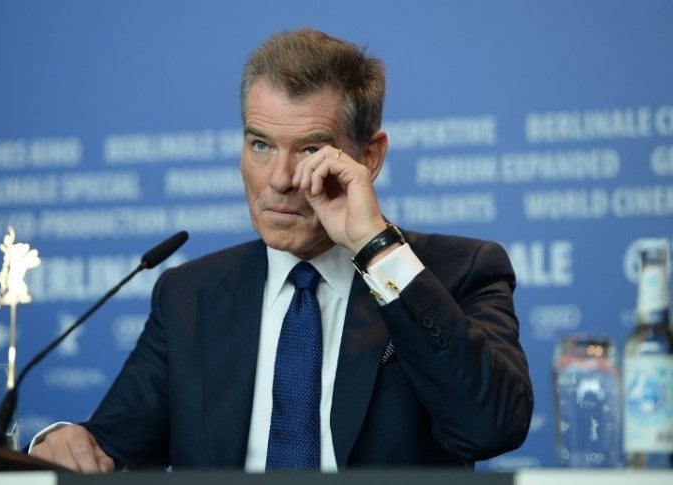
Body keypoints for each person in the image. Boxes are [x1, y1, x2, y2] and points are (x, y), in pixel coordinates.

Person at [29, 27, 533, 473]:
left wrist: (376, 248)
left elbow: (490, 428)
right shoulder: (190, 294)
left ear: (369, 156)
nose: (281, 180)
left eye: (311, 150)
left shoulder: (456, 271)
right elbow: (108, 442)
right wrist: (61, 441)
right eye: (261, 144)